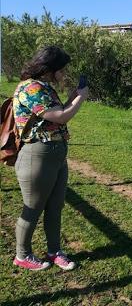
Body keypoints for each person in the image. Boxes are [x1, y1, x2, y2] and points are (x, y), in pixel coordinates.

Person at [12, 45, 88, 271]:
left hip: (55, 154)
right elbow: (60, 117)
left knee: (55, 206)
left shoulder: (43, 87)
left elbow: (54, 117)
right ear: (50, 69)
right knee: (33, 208)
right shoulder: (32, 88)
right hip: (37, 154)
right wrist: (80, 98)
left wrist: (72, 97)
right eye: (61, 69)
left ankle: (54, 251)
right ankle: (22, 255)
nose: (63, 74)